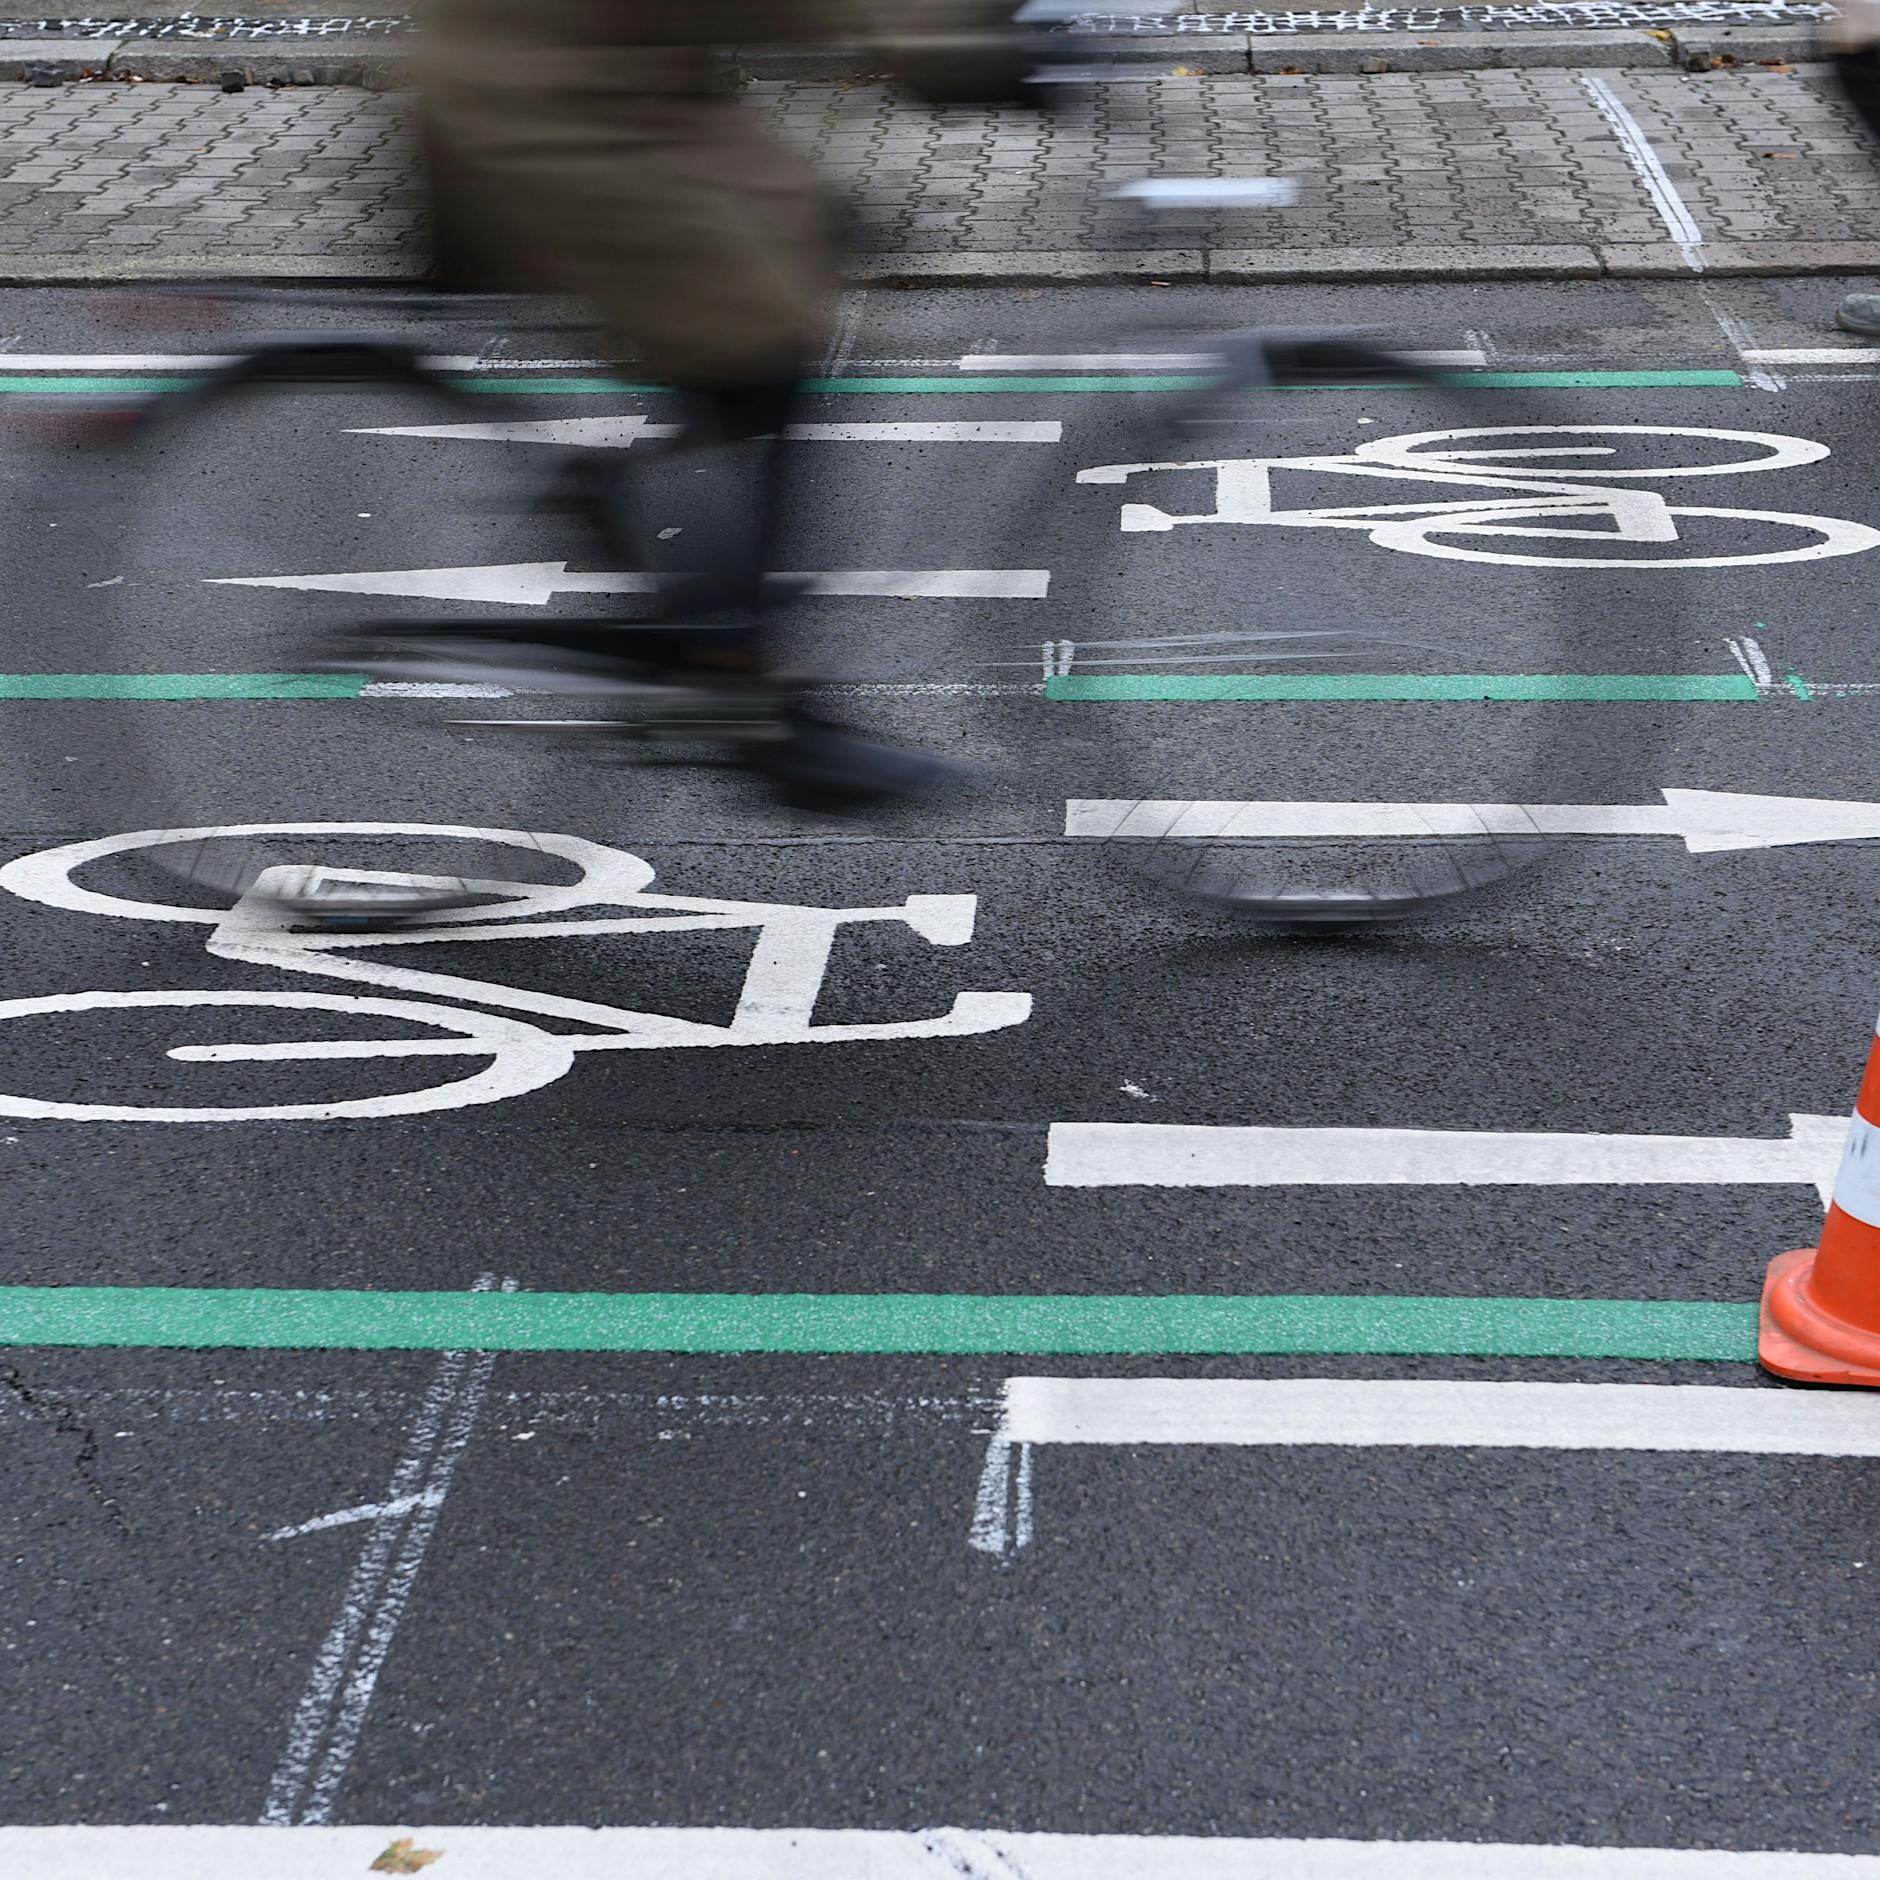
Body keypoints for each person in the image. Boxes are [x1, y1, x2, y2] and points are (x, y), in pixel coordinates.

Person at [351, 0, 1045, 808]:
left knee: (807, 248)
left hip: (606, 95)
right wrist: (951, 45)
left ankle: (647, 523)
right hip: (540, 112)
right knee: (761, 328)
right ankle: (740, 683)